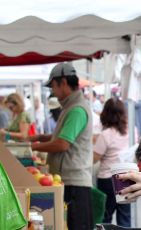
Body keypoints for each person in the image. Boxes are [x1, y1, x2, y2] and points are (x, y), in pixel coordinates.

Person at [29, 62, 94, 230]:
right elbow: (63, 135)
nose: (53, 92)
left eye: (53, 87)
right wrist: (40, 137)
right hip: (68, 181)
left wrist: (34, 146)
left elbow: (63, 143)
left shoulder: (76, 109)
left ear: (63, 82)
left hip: (74, 183)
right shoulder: (70, 107)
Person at [93, 97, 137, 228]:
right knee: (125, 218)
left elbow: (94, 158)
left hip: (108, 179)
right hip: (127, 176)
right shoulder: (132, 130)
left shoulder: (106, 134)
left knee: (105, 217)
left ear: (105, 114)